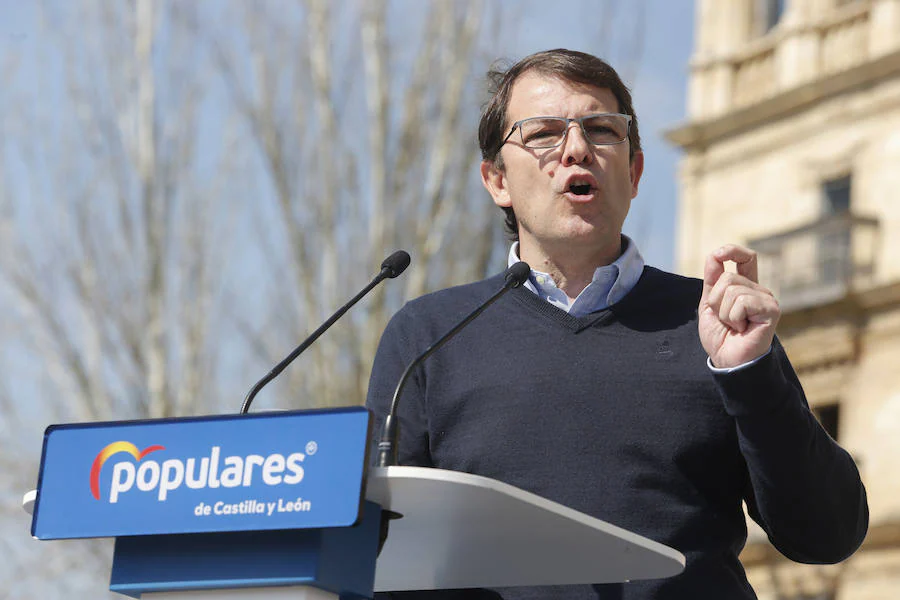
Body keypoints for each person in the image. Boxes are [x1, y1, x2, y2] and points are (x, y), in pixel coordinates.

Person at [366, 49, 868, 600]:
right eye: (544, 133)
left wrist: (749, 374)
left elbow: (828, 536)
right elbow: (377, 550)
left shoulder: (718, 326)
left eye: (602, 130)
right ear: (497, 179)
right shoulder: (428, 336)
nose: (577, 149)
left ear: (634, 172)